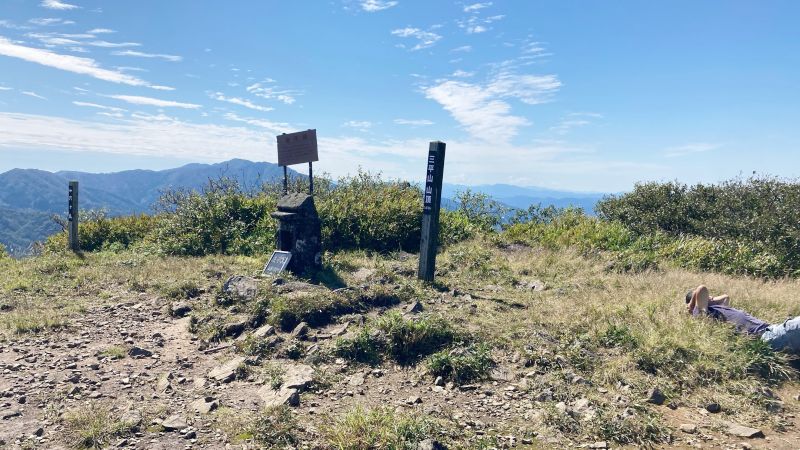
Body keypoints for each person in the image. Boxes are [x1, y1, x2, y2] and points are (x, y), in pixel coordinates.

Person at [686, 285, 800, 353]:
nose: (712, 296)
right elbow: (701, 288)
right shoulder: (702, 315)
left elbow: (726, 297)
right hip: (768, 336)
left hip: (774, 333)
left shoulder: (719, 310)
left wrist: (712, 300)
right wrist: (691, 305)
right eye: (709, 297)